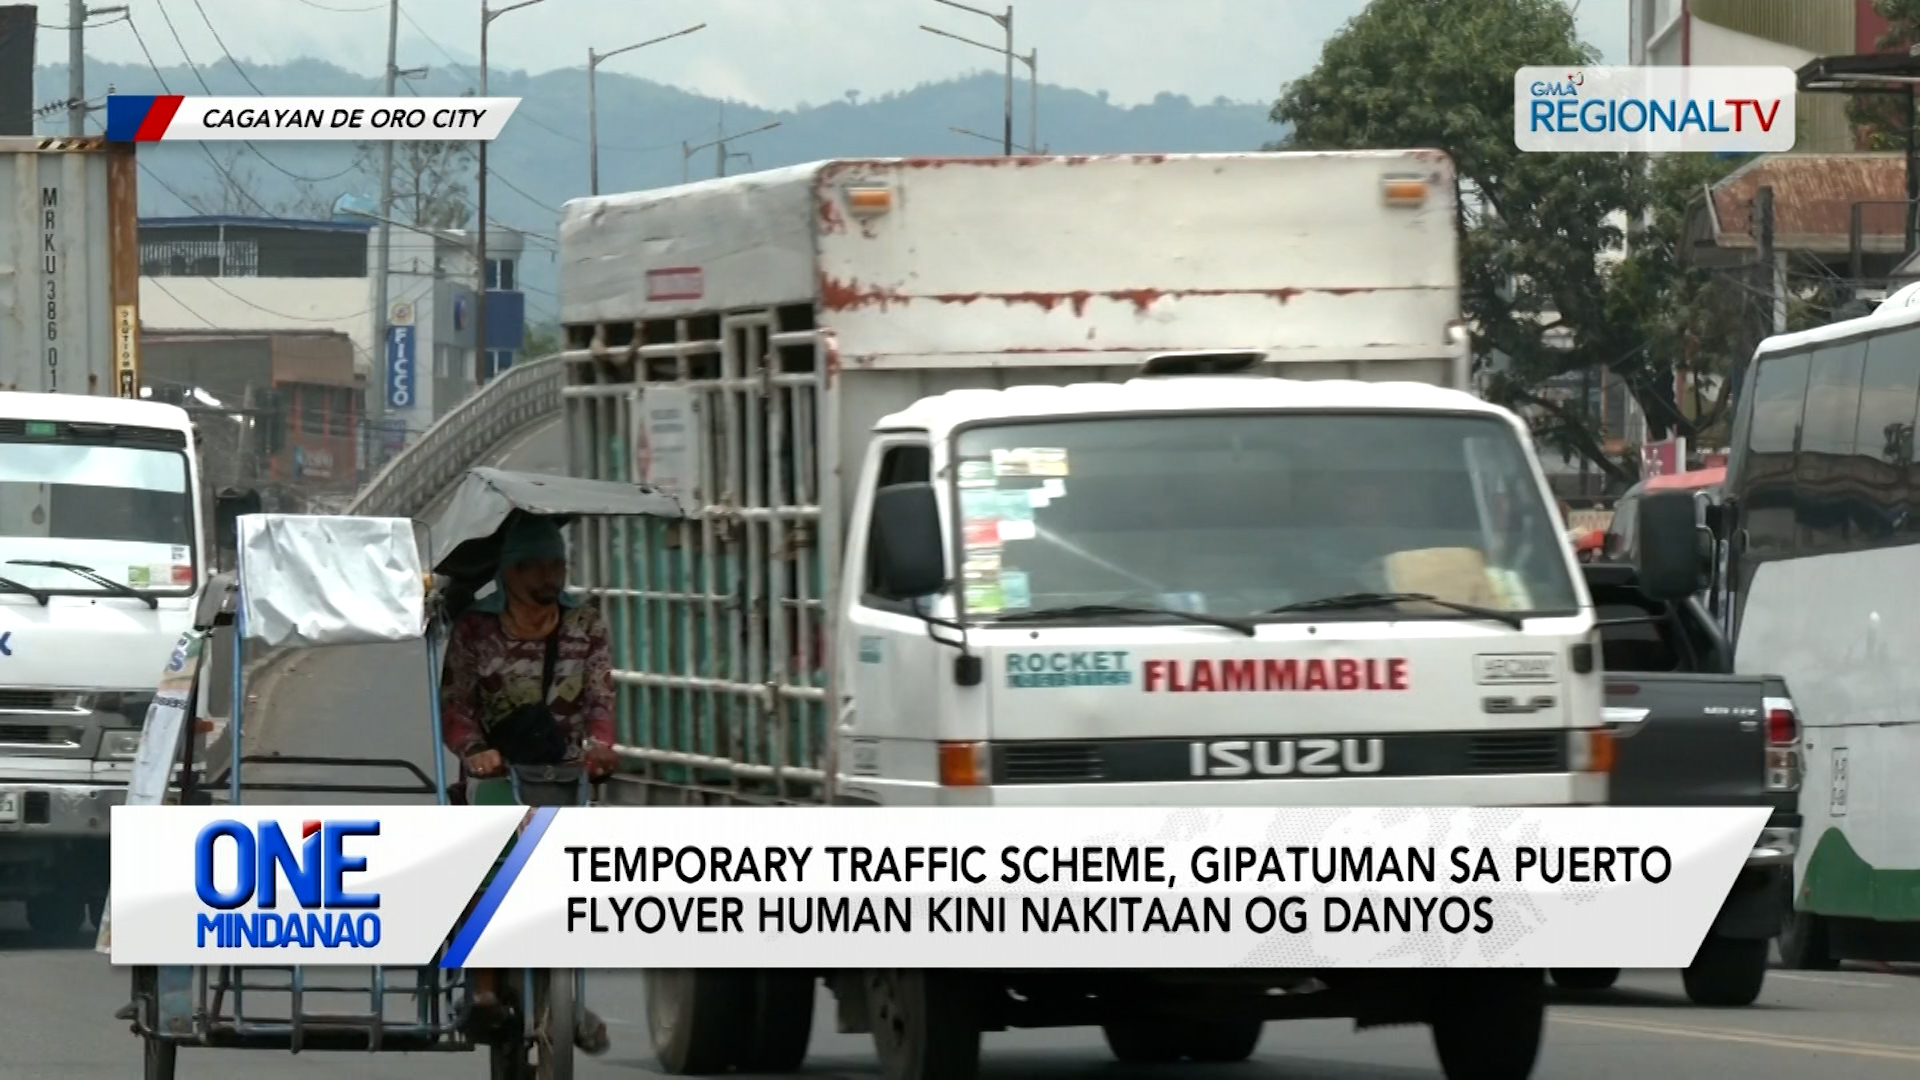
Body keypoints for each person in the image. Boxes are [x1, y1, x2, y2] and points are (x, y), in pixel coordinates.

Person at [439, 514, 619, 1054]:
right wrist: (475, 751)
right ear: (509, 573)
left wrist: (602, 746)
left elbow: (600, 697)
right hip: (498, 769)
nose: (549, 576)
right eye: (536, 566)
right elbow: (455, 704)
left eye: (556, 564)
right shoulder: (476, 628)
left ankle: (563, 989)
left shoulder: (586, 624)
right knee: (490, 868)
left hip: (566, 770)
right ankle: (486, 989)